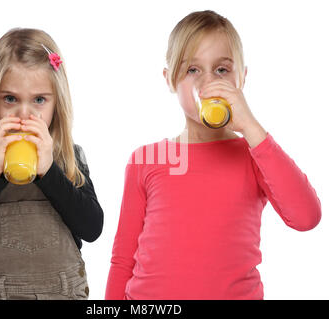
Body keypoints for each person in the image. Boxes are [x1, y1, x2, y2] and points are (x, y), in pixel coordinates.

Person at [105, 10, 321, 300]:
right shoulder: (146, 159)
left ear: (241, 78)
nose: (208, 84)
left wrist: (251, 127)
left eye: (221, 70)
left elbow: (306, 217)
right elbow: (122, 260)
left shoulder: (256, 155)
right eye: (192, 70)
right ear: (170, 80)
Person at [0, 28, 104, 300]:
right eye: (10, 99)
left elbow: (92, 228)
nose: (24, 114)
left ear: (57, 104)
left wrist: (49, 171)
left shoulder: (70, 157)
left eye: (39, 100)